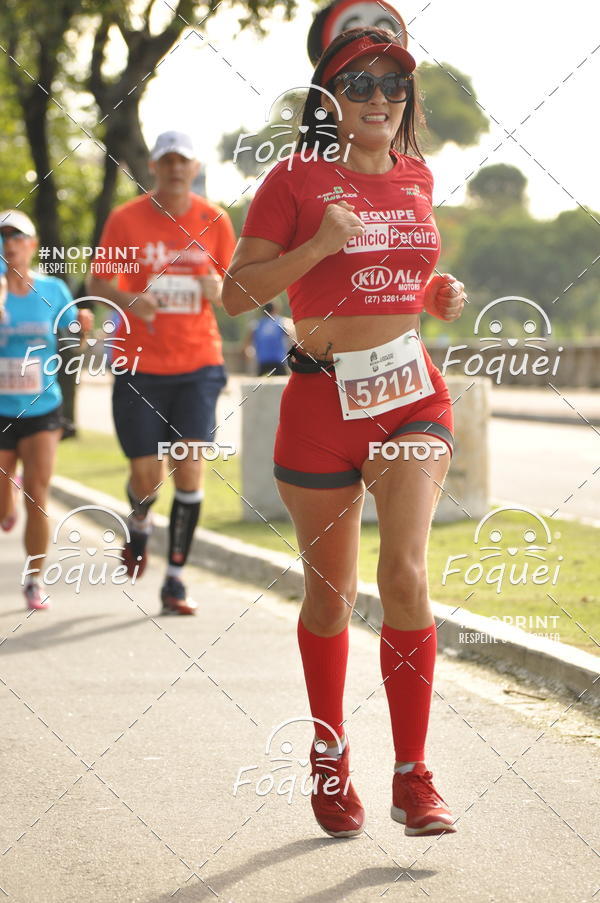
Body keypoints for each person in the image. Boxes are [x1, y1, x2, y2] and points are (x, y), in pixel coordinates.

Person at [223, 27, 467, 838]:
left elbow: (398, 271)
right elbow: (237, 293)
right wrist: (320, 242)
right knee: (331, 598)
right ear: (328, 96)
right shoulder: (291, 180)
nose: (379, 98)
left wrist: (432, 292)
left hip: (409, 398)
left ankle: (413, 774)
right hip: (322, 407)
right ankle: (330, 756)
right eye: (359, 84)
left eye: (393, 83)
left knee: (404, 574)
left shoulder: (419, 175)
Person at [87, 130, 236, 615]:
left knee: (189, 469)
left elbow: (236, 290)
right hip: (139, 363)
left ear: (194, 168)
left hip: (199, 362)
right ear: (153, 167)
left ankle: (174, 579)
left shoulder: (215, 219)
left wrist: (220, 289)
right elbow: (96, 281)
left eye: (183, 161)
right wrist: (131, 299)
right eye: (166, 161)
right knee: (147, 475)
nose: (175, 168)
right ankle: (139, 520)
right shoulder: (126, 219)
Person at [0, 210, 91, 610]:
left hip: (43, 406)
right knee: (4, 502)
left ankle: (34, 579)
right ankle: (6, 502)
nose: (9, 244)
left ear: (32, 245)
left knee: (37, 493)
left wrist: (83, 329)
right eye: (2, 238)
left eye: (16, 237)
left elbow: (74, 343)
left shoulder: (53, 290)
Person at [243, 301, 292, 375]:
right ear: (276, 309)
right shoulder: (283, 322)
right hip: (279, 361)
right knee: (281, 384)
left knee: (261, 384)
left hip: (263, 361)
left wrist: (248, 353)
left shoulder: (256, 324)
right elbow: (292, 338)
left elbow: (246, 343)